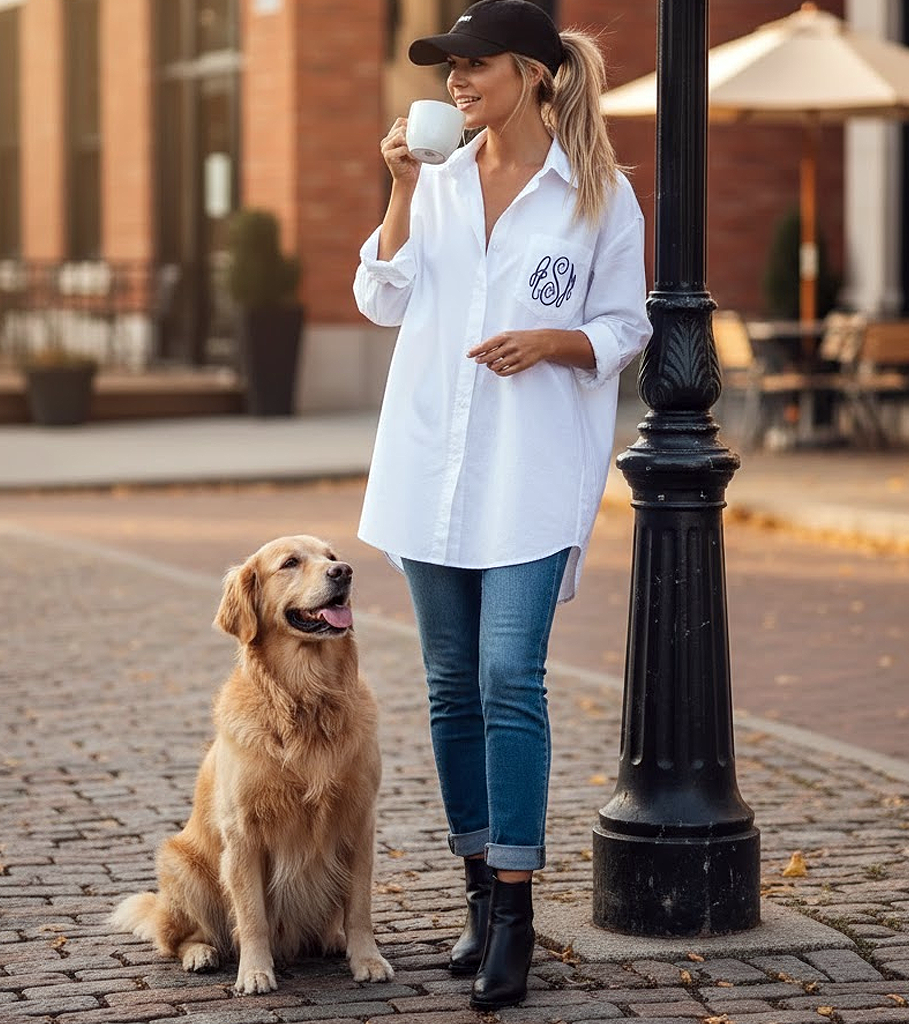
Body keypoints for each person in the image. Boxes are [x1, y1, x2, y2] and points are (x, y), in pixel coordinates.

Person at [353, 0, 649, 1010]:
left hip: (530, 474)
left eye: (475, 65)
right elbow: (381, 299)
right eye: (449, 68)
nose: (456, 82)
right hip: (429, 469)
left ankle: (516, 914)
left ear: (531, 74)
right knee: (450, 687)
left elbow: (627, 325)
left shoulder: (597, 195)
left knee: (508, 679)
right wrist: (399, 190)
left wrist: (551, 342)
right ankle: (478, 893)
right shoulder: (433, 182)